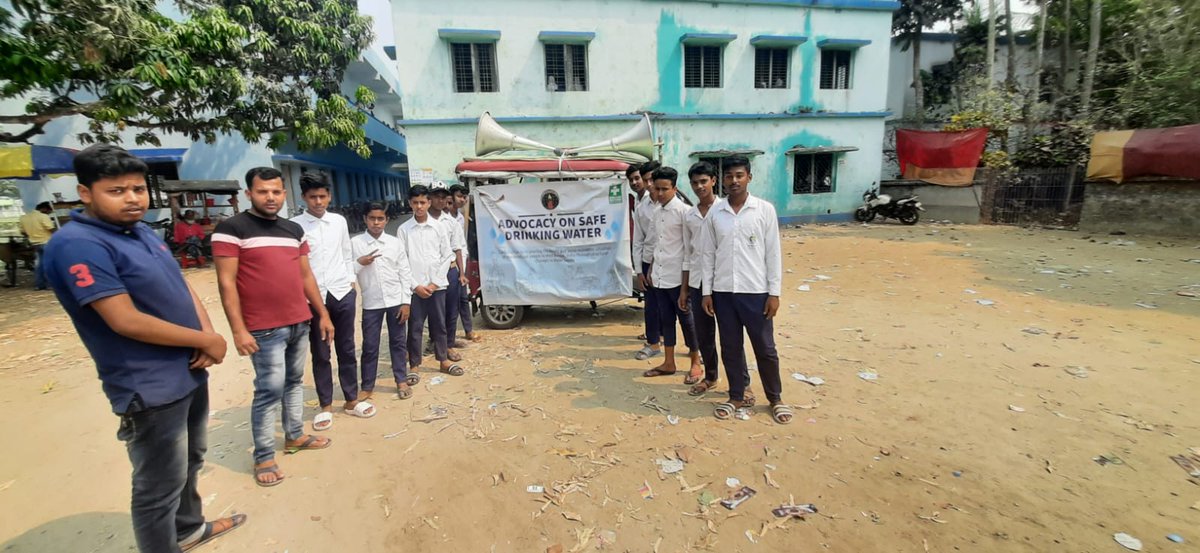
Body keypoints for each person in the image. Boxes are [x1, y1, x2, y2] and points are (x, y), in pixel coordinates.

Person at [43, 144, 246, 551]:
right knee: (158, 485)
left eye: (138, 188)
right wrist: (203, 339)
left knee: (190, 460)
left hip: (187, 369)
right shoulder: (78, 244)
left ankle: (188, 528)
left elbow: (181, 283)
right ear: (86, 193)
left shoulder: (138, 232)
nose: (133, 198)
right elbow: (123, 319)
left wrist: (209, 333)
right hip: (148, 385)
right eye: (116, 191)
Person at [213, 167, 334, 487]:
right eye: (263, 191)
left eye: (277, 191)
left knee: (294, 382)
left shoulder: (293, 230)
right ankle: (264, 454)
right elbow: (226, 283)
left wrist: (322, 313)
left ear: (284, 194)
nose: (271, 197)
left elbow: (306, 276)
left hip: (298, 321)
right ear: (248, 193)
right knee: (269, 390)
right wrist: (238, 329)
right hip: (263, 328)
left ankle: (294, 435)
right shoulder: (232, 228)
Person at [700, 156, 790, 424]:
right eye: (729, 176)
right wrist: (707, 292)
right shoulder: (716, 213)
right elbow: (708, 255)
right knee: (730, 347)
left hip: (756, 292)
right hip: (724, 293)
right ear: (722, 180)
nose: (734, 181)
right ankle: (736, 395)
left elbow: (773, 253)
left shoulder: (763, 210)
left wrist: (774, 292)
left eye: (739, 175)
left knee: (765, 347)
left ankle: (775, 398)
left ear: (749, 177)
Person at [293, 172, 370, 427]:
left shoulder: (338, 221)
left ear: (329, 196)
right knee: (321, 352)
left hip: (341, 292)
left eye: (322, 196)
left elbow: (346, 253)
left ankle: (351, 399)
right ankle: (325, 405)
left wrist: (350, 281)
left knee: (347, 347)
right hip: (313, 298)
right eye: (312, 197)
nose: (318, 201)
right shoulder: (295, 226)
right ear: (304, 197)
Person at [678, 161, 736, 397]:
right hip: (697, 282)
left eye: (704, 181)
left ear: (714, 181)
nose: (699, 186)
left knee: (730, 335)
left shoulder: (725, 211)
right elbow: (687, 253)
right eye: (695, 182)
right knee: (704, 335)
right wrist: (684, 289)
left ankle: (741, 384)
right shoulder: (689, 214)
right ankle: (710, 377)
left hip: (722, 282)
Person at [352, 202, 419, 401]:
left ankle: (400, 379)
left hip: (395, 300)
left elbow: (405, 272)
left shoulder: (394, 243)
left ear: (386, 220)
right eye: (372, 218)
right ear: (365, 219)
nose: (376, 222)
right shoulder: (356, 244)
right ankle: (367, 385)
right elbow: (346, 269)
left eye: (380, 218)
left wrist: (406, 302)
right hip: (371, 303)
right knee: (370, 345)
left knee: (398, 342)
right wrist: (359, 263)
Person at [641, 166, 701, 381]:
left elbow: (688, 250)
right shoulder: (656, 211)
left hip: (678, 278)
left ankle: (695, 362)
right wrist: (650, 269)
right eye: (655, 188)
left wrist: (685, 286)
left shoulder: (685, 213)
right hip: (659, 276)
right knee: (666, 320)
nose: (658, 193)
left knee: (686, 320)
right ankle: (669, 362)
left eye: (663, 189)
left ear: (674, 188)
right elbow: (656, 243)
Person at [399, 185, 465, 377]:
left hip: (437, 287)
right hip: (415, 288)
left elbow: (447, 256)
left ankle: (443, 360)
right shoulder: (404, 230)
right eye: (415, 203)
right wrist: (415, 286)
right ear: (410, 204)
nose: (419, 206)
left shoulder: (439, 227)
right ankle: (414, 365)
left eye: (422, 202)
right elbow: (402, 261)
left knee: (439, 324)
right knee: (415, 326)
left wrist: (435, 282)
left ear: (428, 203)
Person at [427, 182, 467, 361]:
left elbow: (457, 248)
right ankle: (434, 340)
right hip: (427, 272)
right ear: (429, 198)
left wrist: (462, 273)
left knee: (451, 310)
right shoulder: (421, 220)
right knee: (432, 311)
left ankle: (448, 344)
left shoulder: (451, 222)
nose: (440, 200)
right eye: (436, 196)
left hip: (449, 270)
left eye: (443, 197)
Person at [632, 160, 662, 361]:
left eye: (653, 179)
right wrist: (640, 271)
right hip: (648, 261)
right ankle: (653, 344)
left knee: (682, 308)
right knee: (651, 306)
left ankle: (694, 349)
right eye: (646, 180)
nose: (650, 184)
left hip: (672, 263)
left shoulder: (678, 206)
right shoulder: (642, 207)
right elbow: (638, 241)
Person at [449, 183, 479, 342]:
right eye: (459, 196)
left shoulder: (461, 216)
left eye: (464, 197)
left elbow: (461, 244)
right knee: (451, 303)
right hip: (449, 265)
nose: (462, 200)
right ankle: (449, 338)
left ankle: (468, 330)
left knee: (463, 298)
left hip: (461, 262)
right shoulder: (444, 218)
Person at [19, 201, 55, 290]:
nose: (49, 213)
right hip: (46, 242)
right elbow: (50, 228)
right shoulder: (43, 216)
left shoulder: (24, 218)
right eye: (49, 211)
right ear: (44, 209)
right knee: (49, 264)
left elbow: (23, 232)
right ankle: (49, 284)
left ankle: (39, 285)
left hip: (35, 243)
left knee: (39, 265)